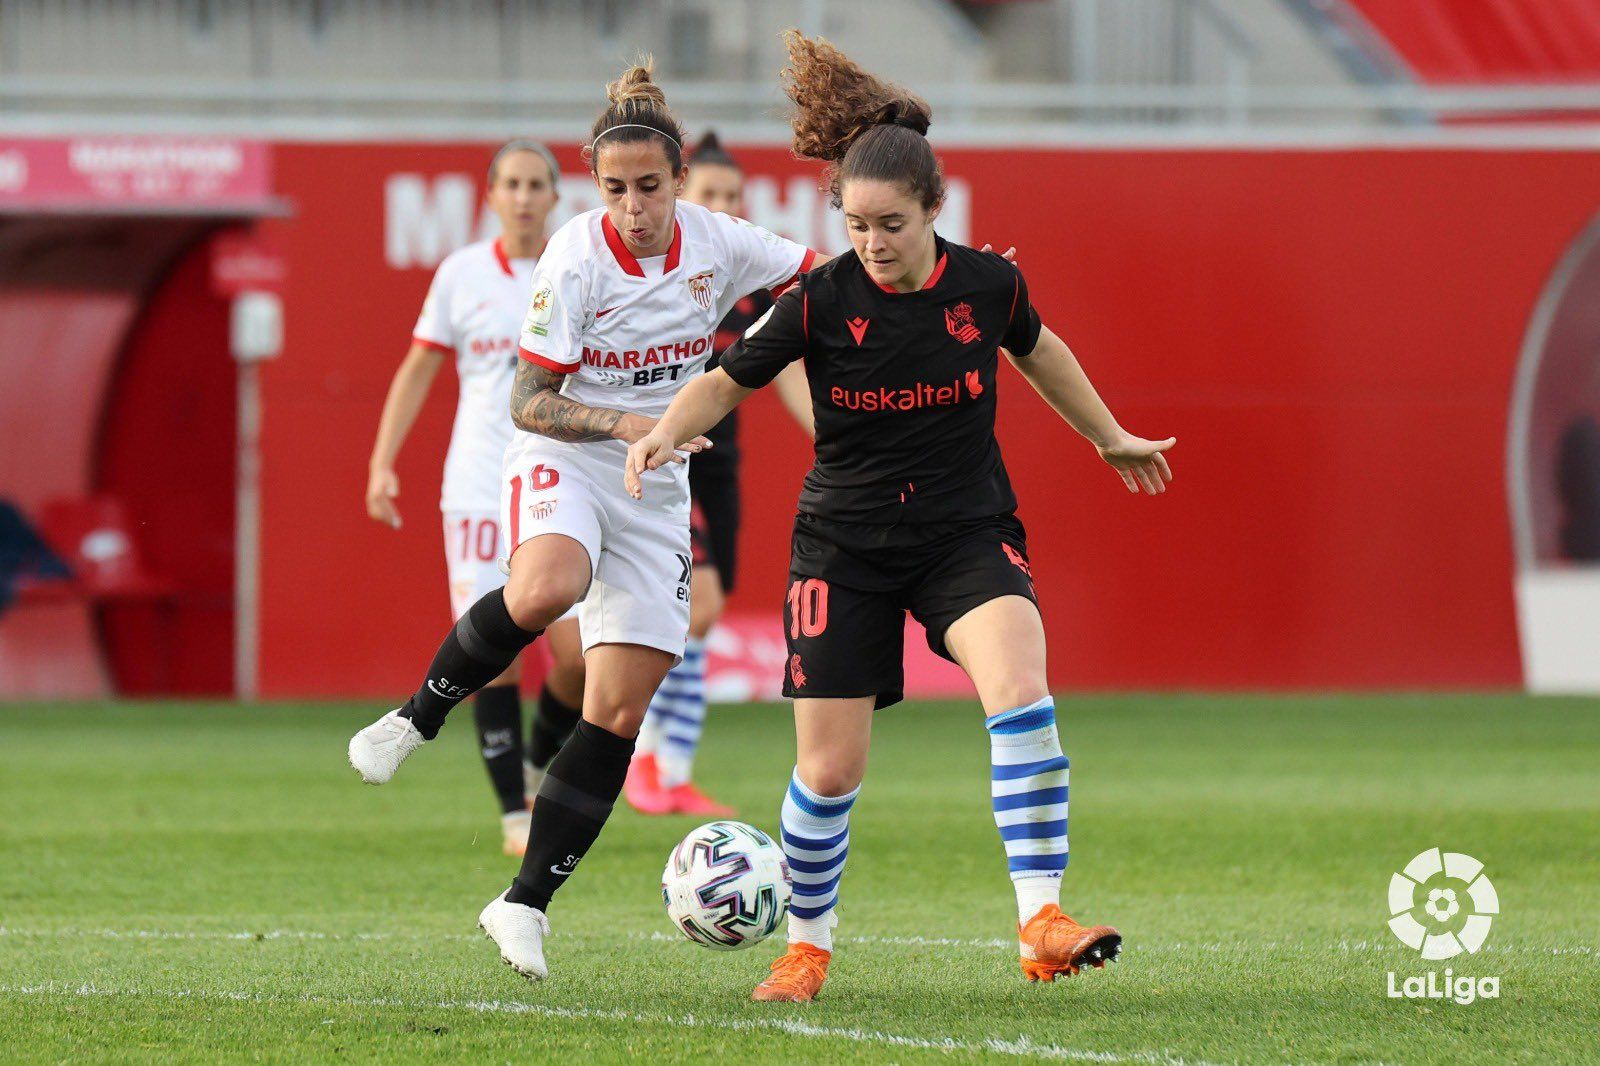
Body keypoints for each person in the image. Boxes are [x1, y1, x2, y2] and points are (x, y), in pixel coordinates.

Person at [627, 30, 1175, 1003]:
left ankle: (1041, 918)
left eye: (889, 222)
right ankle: (806, 948)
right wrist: (660, 435)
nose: (871, 243)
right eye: (855, 223)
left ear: (934, 209)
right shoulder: (815, 301)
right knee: (829, 771)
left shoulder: (987, 284)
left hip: (966, 533)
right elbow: (723, 381)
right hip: (843, 548)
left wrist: (1109, 435)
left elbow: (1038, 350)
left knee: (1019, 689)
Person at [348, 58, 820, 982]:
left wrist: (937, 274)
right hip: (568, 454)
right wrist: (624, 422)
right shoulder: (573, 256)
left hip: (657, 485)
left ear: (680, 181)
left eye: (650, 187)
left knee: (615, 707)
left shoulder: (722, 243)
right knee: (546, 587)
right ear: (593, 187)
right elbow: (529, 399)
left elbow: (826, 273)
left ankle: (521, 903)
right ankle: (412, 720)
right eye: (616, 188)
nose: (635, 206)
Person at [362, 140, 586, 858]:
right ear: (490, 195)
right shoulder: (460, 274)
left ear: (556, 196)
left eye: (536, 185)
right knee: (498, 653)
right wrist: (382, 462)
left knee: (579, 660)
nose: (523, 196)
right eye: (510, 184)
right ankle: (513, 809)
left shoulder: (577, 267)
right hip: (477, 488)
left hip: (557, 480)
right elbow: (418, 368)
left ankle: (528, 762)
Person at [625, 131, 815, 817]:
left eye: (735, 196)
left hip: (720, 464)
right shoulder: (662, 282)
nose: (726, 207)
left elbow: (789, 367)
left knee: (703, 611)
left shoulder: (748, 287)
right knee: (695, 605)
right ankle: (643, 759)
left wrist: (832, 436)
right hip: (669, 455)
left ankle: (672, 770)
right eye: (712, 195)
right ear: (682, 197)